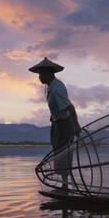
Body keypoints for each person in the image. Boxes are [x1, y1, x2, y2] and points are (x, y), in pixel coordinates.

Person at [29, 57, 81, 192]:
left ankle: (65, 186)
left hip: (65, 125)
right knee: (59, 152)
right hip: (58, 124)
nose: (39, 77)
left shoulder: (56, 88)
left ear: (48, 74)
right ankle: (64, 185)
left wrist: (76, 125)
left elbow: (70, 107)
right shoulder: (51, 87)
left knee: (63, 153)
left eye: (40, 74)